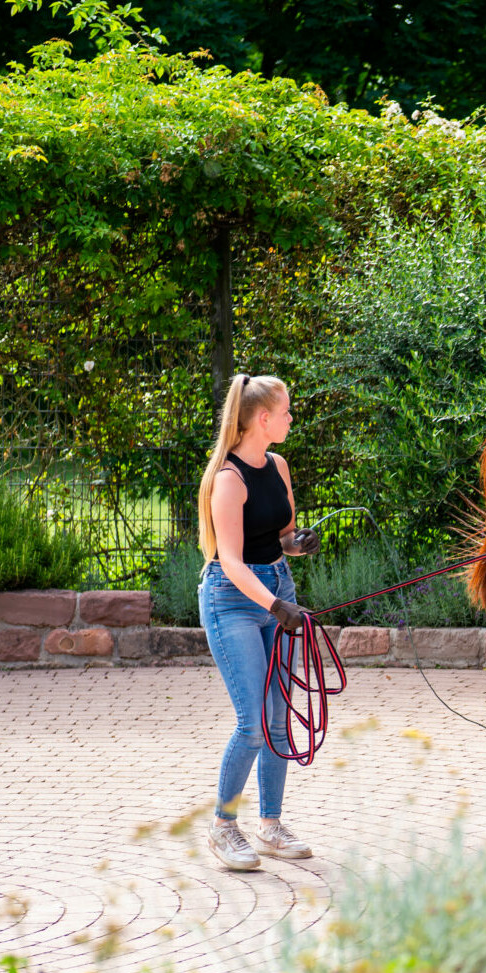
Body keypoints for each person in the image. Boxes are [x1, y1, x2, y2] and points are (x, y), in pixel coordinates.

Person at [196, 373, 321, 871]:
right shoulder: (227, 480)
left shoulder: (279, 465)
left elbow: (281, 535)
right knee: (252, 724)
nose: (292, 418)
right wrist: (275, 606)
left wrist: (297, 544)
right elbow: (230, 560)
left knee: (279, 719)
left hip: (276, 590)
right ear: (262, 419)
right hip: (233, 600)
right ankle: (224, 826)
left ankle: (270, 825)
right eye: (287, 411)